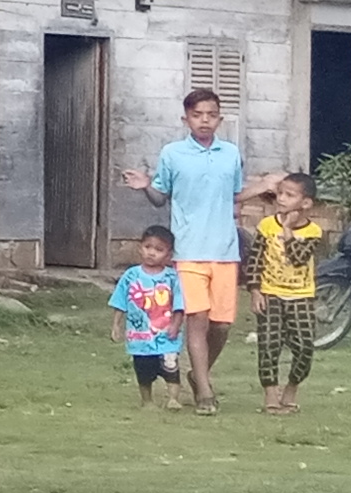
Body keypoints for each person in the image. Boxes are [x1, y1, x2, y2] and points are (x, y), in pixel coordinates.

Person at [119, 87, 245, 415]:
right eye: (197, 115)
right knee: (197, 320)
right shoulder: (172, 153)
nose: (204, 120)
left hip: (225, 251)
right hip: (188, 251)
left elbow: (234, 196)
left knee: (222, 325)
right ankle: (204, 391)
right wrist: (145, 186)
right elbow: (160, 197)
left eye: (211, 115)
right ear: (185, 118)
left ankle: (197, 373)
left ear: (220, 119)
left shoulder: (231, 154)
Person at [243, 173, 329, 415]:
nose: (281, 199)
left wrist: (288, 229)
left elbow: (299, 258)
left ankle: (291, 388)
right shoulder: (266, 226)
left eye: (289, 195)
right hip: (270, 294)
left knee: (304, 346)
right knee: (269, 344)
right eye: (280, 193)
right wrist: (255, 290)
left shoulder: (313, 231)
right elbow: (255, 260)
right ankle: (270, 394)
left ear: (306, 203)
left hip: (301, 295)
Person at [109, 226, 186, 410]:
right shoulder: (131, 276)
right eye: (147, 247)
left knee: (171, 368)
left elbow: (179, 305)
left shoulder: (172, 277)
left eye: (159, 250)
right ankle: (147, 401)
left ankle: (173, 399)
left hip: (166, 337)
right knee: (143, 370)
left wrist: (176, 325)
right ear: (140, 247)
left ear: (168, 255)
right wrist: (116, 325)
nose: (151, 253)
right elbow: (120, 302)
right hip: (140, 338)